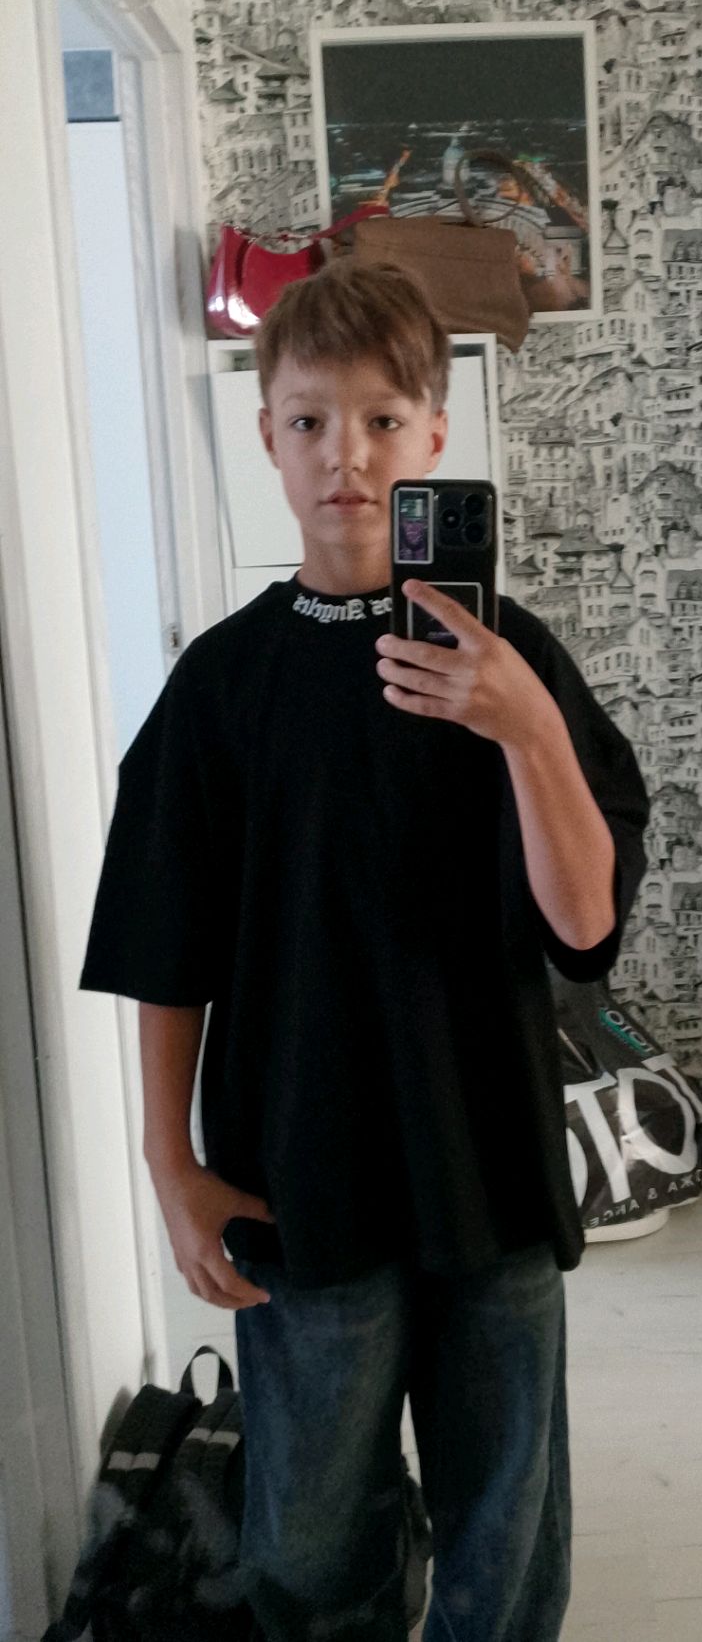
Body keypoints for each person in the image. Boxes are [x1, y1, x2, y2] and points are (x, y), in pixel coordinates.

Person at [79, 261, 650, 1641]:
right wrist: (170, 1167)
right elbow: (166, 944)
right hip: (300, 1177)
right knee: (310, 1534)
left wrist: (523, 727)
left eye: (384, 420)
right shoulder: (224, 685)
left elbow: (585, 927)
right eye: (310, 421)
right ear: (268, 440)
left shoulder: (515, 659)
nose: (348, 455)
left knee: (505, 1535)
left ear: (436, 435)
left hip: (490, 1167)